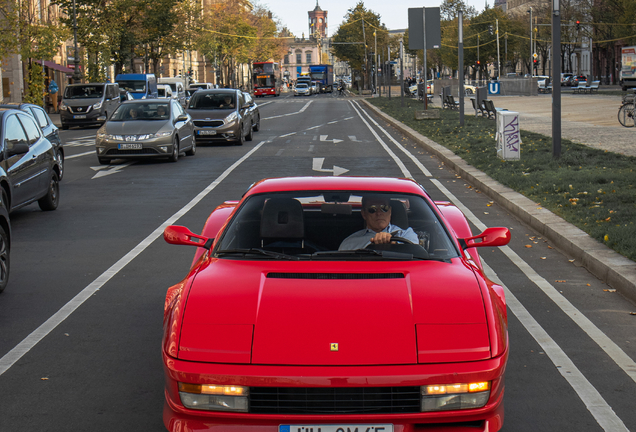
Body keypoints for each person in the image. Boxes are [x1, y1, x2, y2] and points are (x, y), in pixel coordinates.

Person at [339, 195, 419, 250]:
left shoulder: (407, 235)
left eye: (384, 208)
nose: (379, 213)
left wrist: (394, 245)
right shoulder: (350, 243)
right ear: (364, 214)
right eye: (372, 209)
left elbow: (416, 255)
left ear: (390, 211)